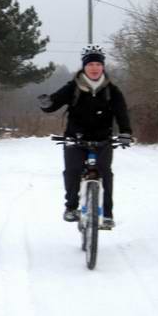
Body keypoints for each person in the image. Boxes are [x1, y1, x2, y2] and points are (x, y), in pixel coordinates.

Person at [38, 44, 132, 229]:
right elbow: (54, 103)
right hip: (76, 138)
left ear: (103, 66)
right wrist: (46, 103)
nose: (94, 68)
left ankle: (107, 214)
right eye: (90, 64)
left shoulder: (112, 90)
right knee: (72, 171)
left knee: (106, 173)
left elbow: (122, 113)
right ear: (84, 66)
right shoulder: (73, 87)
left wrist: (125, 133)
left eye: (98, 64)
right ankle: (71, 207)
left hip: (103, 139)